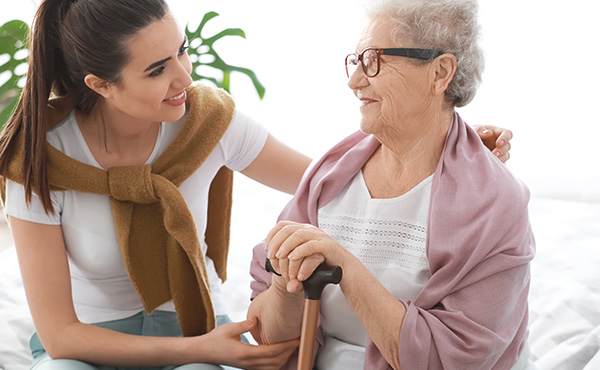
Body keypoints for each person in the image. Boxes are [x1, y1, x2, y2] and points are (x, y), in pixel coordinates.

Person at [0, 0, 512, 369]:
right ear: (101, 85)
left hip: (197, 327)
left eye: (182, 50)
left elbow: (337, 183)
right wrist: (200, 350)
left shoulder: (205, 123)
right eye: (157, 70)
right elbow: (62, 336)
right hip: (90, 346)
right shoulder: (39, 160)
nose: (184, 76)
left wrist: (449, 144)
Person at [247, 0, 535, 369]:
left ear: (440, 72)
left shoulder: (495, 203)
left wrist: (345, 266)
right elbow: (270, 338)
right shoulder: (331, 175)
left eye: (374, 60)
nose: (354, 81)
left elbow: (451, 358)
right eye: (356, 60)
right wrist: (284, 286)